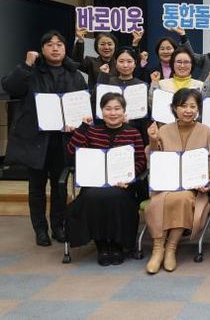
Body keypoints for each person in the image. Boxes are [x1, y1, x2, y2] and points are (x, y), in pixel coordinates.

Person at [2, 31, 88, 246]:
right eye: (49, 44)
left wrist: (77, 122)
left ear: (65, 49)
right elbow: (11, 87)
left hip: (63, 139)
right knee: (37, 186)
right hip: (36, 139)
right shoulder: (31, 71)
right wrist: (26, 65)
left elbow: (81, 104)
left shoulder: (75, 74)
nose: (55, 48)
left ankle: (58, 226)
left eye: (59, 44)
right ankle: (40, 229)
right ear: (42, 49)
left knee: (60, 186)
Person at [65, 93, 146, 266]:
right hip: (94, 184)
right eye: (108, 109)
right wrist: (82, 128)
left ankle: (117, 245)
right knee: (92, 196)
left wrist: (129, 177)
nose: (113, 113)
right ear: (101, 111)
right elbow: (72, 153)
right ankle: (101, 245)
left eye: (117, 108)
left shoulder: (133, 133)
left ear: (124, 111)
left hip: (122, 185)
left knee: (116, 196)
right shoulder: (92, 131)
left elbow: (141, 161)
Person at [144, 89, 210, 274]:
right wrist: (153, 140)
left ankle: (171, 248)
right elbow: (154, 158)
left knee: (183, 198)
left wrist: (208, 180)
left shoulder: (206, 132)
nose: (188, 110)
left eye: (193, 106)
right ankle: (158, 249)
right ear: (174, 108)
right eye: (183, 106)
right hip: (165, 185)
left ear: (198, 109)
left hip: (193, 187)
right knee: (158, 202)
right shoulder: (163, 130)